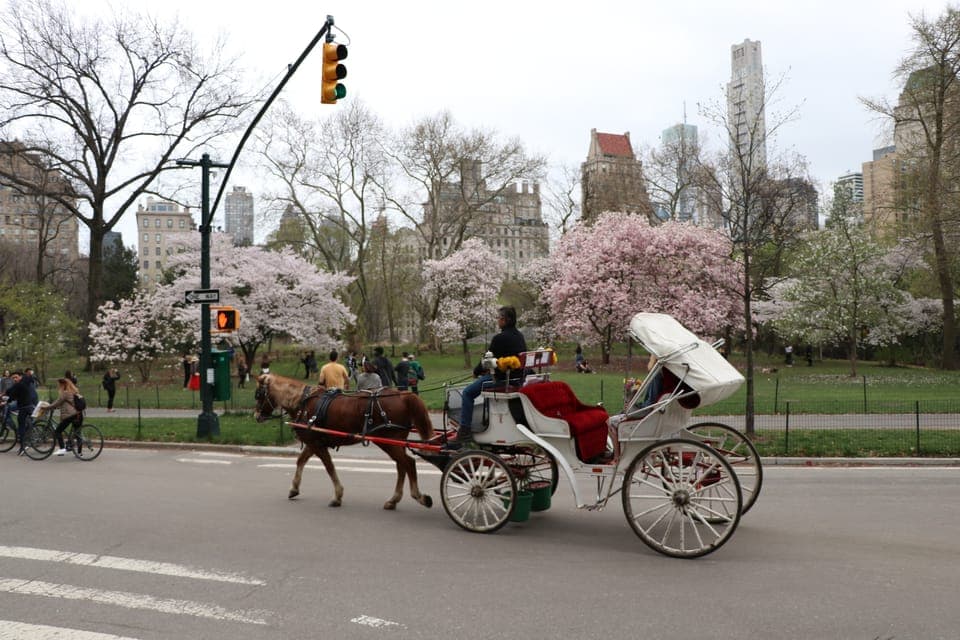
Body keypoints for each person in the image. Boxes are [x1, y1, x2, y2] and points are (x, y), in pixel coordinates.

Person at [450, 306, 527, 450]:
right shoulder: (519, 336)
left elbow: (487, 359)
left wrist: (476, 371)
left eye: (499, 318)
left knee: (467, 392)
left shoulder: (500, 338)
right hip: (517, 378)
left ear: (504, 320)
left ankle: (465, 430)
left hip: (501, 379)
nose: (497, 321)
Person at [45, 377, 82, 456]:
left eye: (59, 385)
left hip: (70, 415)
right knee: (76, 432)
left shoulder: (65, 393)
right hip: (77, 414)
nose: (58, 386)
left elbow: (57, 402)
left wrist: (46, 407)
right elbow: (65, 403)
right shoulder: (74, 391)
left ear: (63, 385)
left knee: (57, 432)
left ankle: (62, 449)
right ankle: (79, 453)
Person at [4, 370, 38, 456]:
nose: (14, 379)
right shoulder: (25, 381)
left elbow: (12, 395)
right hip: (31, 405)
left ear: (20, 376)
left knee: (21, 428)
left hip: (24, 407)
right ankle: (30, 438)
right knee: (29, 423)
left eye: (16, 377)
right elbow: (11, 390)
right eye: (13, 378)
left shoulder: (20, 384)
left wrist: (6, 401)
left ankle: (22, 447)